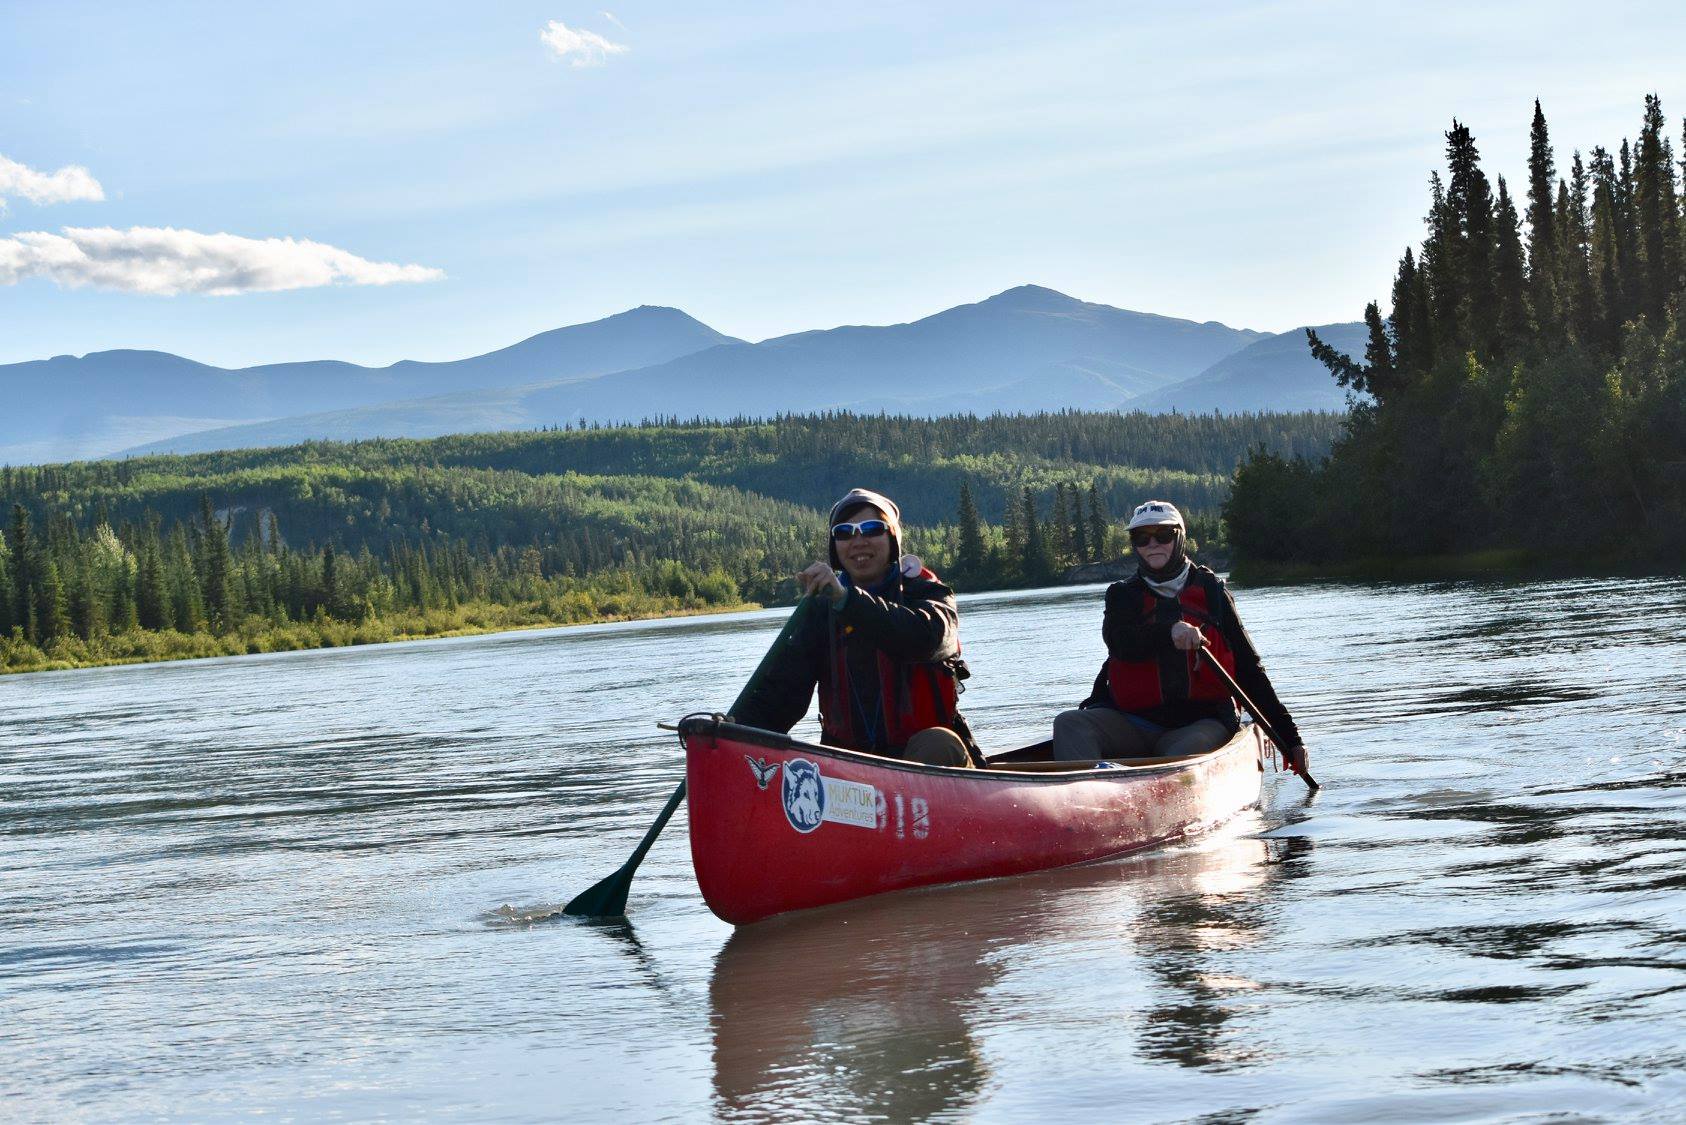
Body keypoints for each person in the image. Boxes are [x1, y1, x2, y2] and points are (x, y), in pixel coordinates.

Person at [1052, 500, 1309, 775]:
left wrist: (1291, 739)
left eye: (1163, 535)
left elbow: (1249, 670)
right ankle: (1086, 797)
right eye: (1141, 537)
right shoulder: (1122, 595)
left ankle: (1155, 786)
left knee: (1177, 754)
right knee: (1069, 723)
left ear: (1180, 538)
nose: (1152, 544)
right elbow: (1120, 642)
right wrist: (1170, 632)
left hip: (1202, 722)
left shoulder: (1212, 592)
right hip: (1134, 722)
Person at [732, 488, 978, 767]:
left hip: (926, 761)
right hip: (851, 773)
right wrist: (728, 732)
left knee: (939, 743)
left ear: (892, 539)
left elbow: (925, 639)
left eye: (872, 529)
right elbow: (781, 698)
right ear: (835, 547)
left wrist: (846, 600)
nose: (858, 541)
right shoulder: (822, 612)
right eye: (844, 533)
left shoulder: (931, 595)